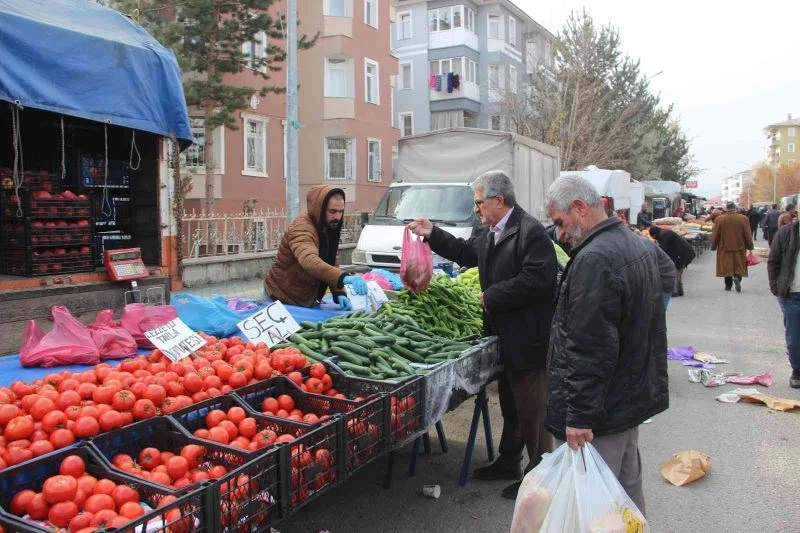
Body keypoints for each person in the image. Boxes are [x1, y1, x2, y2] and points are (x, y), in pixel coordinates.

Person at [408, 170, 557, 500]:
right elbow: (466, 253)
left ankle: (541, 480)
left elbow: (539, 280)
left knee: (533, 412)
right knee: (511, 405)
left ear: (499, 200)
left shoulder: (530, 232)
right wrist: (432, 232)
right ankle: (508, 462)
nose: (475, 208)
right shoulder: (492, 231)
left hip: (529, 339)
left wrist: (492, 296)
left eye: (479, 202)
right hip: (504, 337)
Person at [544, 175, 668, 516]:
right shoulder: (636, 244)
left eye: (560, 222)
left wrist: (580, 415)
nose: (560, 233)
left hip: (601, 411)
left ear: (580, 208)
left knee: (594, 507)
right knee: (625, 494)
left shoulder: (595, 258)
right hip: (626, 400)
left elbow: (589, 347)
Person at [264, 185, 367, 309]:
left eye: (341, 212)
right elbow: (310, 261)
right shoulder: (302, 227)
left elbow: (331, 260)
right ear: (320, 209)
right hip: (280, 297)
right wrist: (343, 277)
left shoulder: (327, 226)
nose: (337, 217)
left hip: (305, 299)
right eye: (332, 211)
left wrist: (338, 292)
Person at [767, 217, 800, 388]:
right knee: (794, 337)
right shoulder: (786, 233)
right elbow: (773, 261)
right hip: (792, 294)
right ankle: (797, 370)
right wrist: (776, 286)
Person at [711, 201, 754, 293]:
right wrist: (750, 246)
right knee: (739, 265)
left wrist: (713, 246)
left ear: (726, 208)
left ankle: (728, 285)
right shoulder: (743, 219)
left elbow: (716, 234)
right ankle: (738, 278)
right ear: (735, 208)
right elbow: (747, 234)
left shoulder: (719, 219)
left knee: (727, 267)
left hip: (724, 247)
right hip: (740, 247)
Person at [649, 226, 695, 297]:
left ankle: (675, 290)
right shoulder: (665, 233)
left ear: (654, 234)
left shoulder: (664, 235)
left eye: (653, 237)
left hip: (682, 253)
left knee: (676, 270)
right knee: (678, 270)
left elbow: (663, 250)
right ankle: (679, 290)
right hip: (685, 252)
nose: (654, 238)